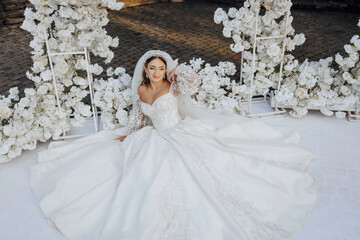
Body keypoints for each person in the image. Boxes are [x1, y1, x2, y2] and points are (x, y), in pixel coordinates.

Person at [30, 50, 317, 240]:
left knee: (212, 168)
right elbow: (138, 116)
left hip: (180, 132)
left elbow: (196, 82)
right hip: (154, 136)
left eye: (160, 68)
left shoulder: (172, 85)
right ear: (145, 69)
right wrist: (127, 135)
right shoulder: (142, 89)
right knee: (143, 174)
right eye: (152, 68)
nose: (156, 72)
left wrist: (179, 72)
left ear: (166, 69)